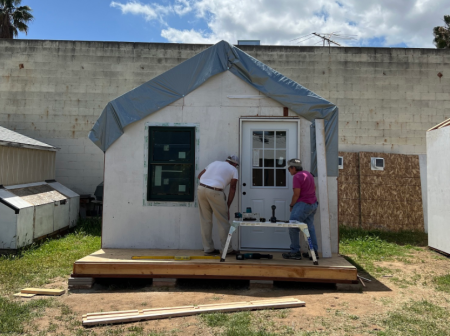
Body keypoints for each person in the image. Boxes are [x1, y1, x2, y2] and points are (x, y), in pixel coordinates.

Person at [197, 155, 240, 256]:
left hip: (201, 189)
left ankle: (208, 249)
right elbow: (233, 188)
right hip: (215, 191)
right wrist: (228, 206)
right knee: (223, 221)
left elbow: (199, 176)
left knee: (205, 220)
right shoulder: (233, 169)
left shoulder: (214, 163)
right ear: (235, 164)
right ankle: (227, 250)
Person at [282, 158, 319, 260]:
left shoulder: (297, 177)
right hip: (313, 204)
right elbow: (314, 188)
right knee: (310, 227)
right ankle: (313, 252)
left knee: (293, 226)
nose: (289, 171)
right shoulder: (308, 174)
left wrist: (292, 205)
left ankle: (295, 252)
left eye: (289, 169)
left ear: (293, 168)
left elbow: (296, 194)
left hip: (303, 204)